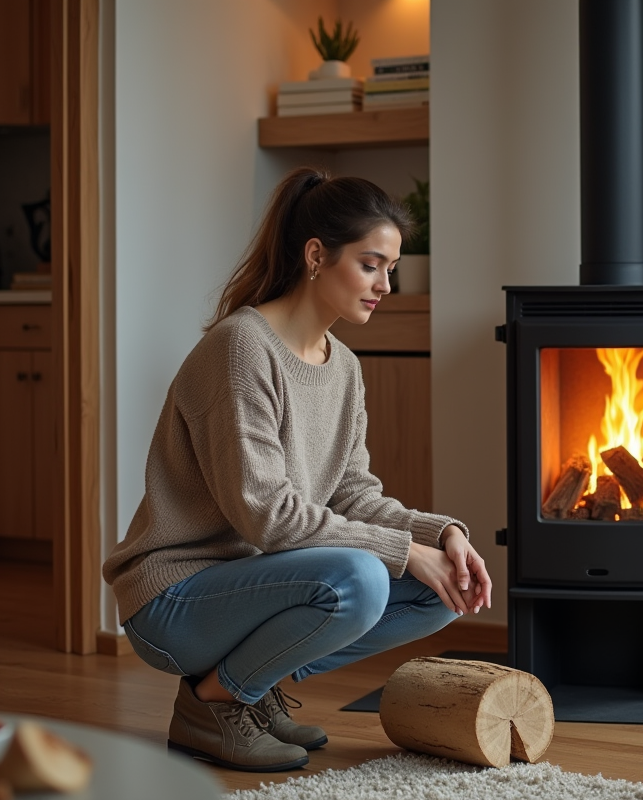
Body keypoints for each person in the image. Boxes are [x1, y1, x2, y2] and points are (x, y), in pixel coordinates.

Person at [101, 167, 493, 773]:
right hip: (174, 598)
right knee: (362, 578)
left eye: (391, 268)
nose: (385, 285)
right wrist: (403, 551)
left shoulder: (345, 368)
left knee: (443, 591)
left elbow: (354, 494)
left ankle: (250, 688)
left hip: (256, 585)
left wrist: (440, 535)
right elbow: (269, 518)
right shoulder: (242, 348)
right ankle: (216, 702)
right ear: (316, 256)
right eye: (371, 265)